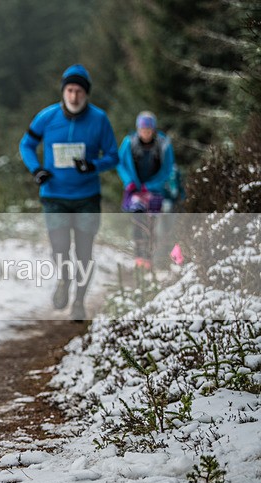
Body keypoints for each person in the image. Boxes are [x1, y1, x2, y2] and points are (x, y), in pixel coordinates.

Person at [19, 64, 119, 321]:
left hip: (87, 196)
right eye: (70, 90)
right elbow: (26, 144)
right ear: (64, 91)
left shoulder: (99, 119)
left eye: (79, 92)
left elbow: (113, 157)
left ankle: (79, 302)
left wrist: (93, 165)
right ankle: (63, 280)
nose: (74, 96)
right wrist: (36, 170)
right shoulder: (47, 117)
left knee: (84, 253)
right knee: (60, 248)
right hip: (54, 195)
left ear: (86, 94)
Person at [116, 111, 176, 270]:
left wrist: (149, 186)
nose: (146, 133)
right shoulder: (129, 142)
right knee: (137, 220)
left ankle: (149, 258)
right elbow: (120, 163)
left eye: (149, 130)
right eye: (143, 130)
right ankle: (138, 256)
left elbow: (167, 170)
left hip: (154, 190)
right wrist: (128, 181)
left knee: (152, 222)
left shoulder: (163, 144)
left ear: (154, 130)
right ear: (138, 129)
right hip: (135, 189)